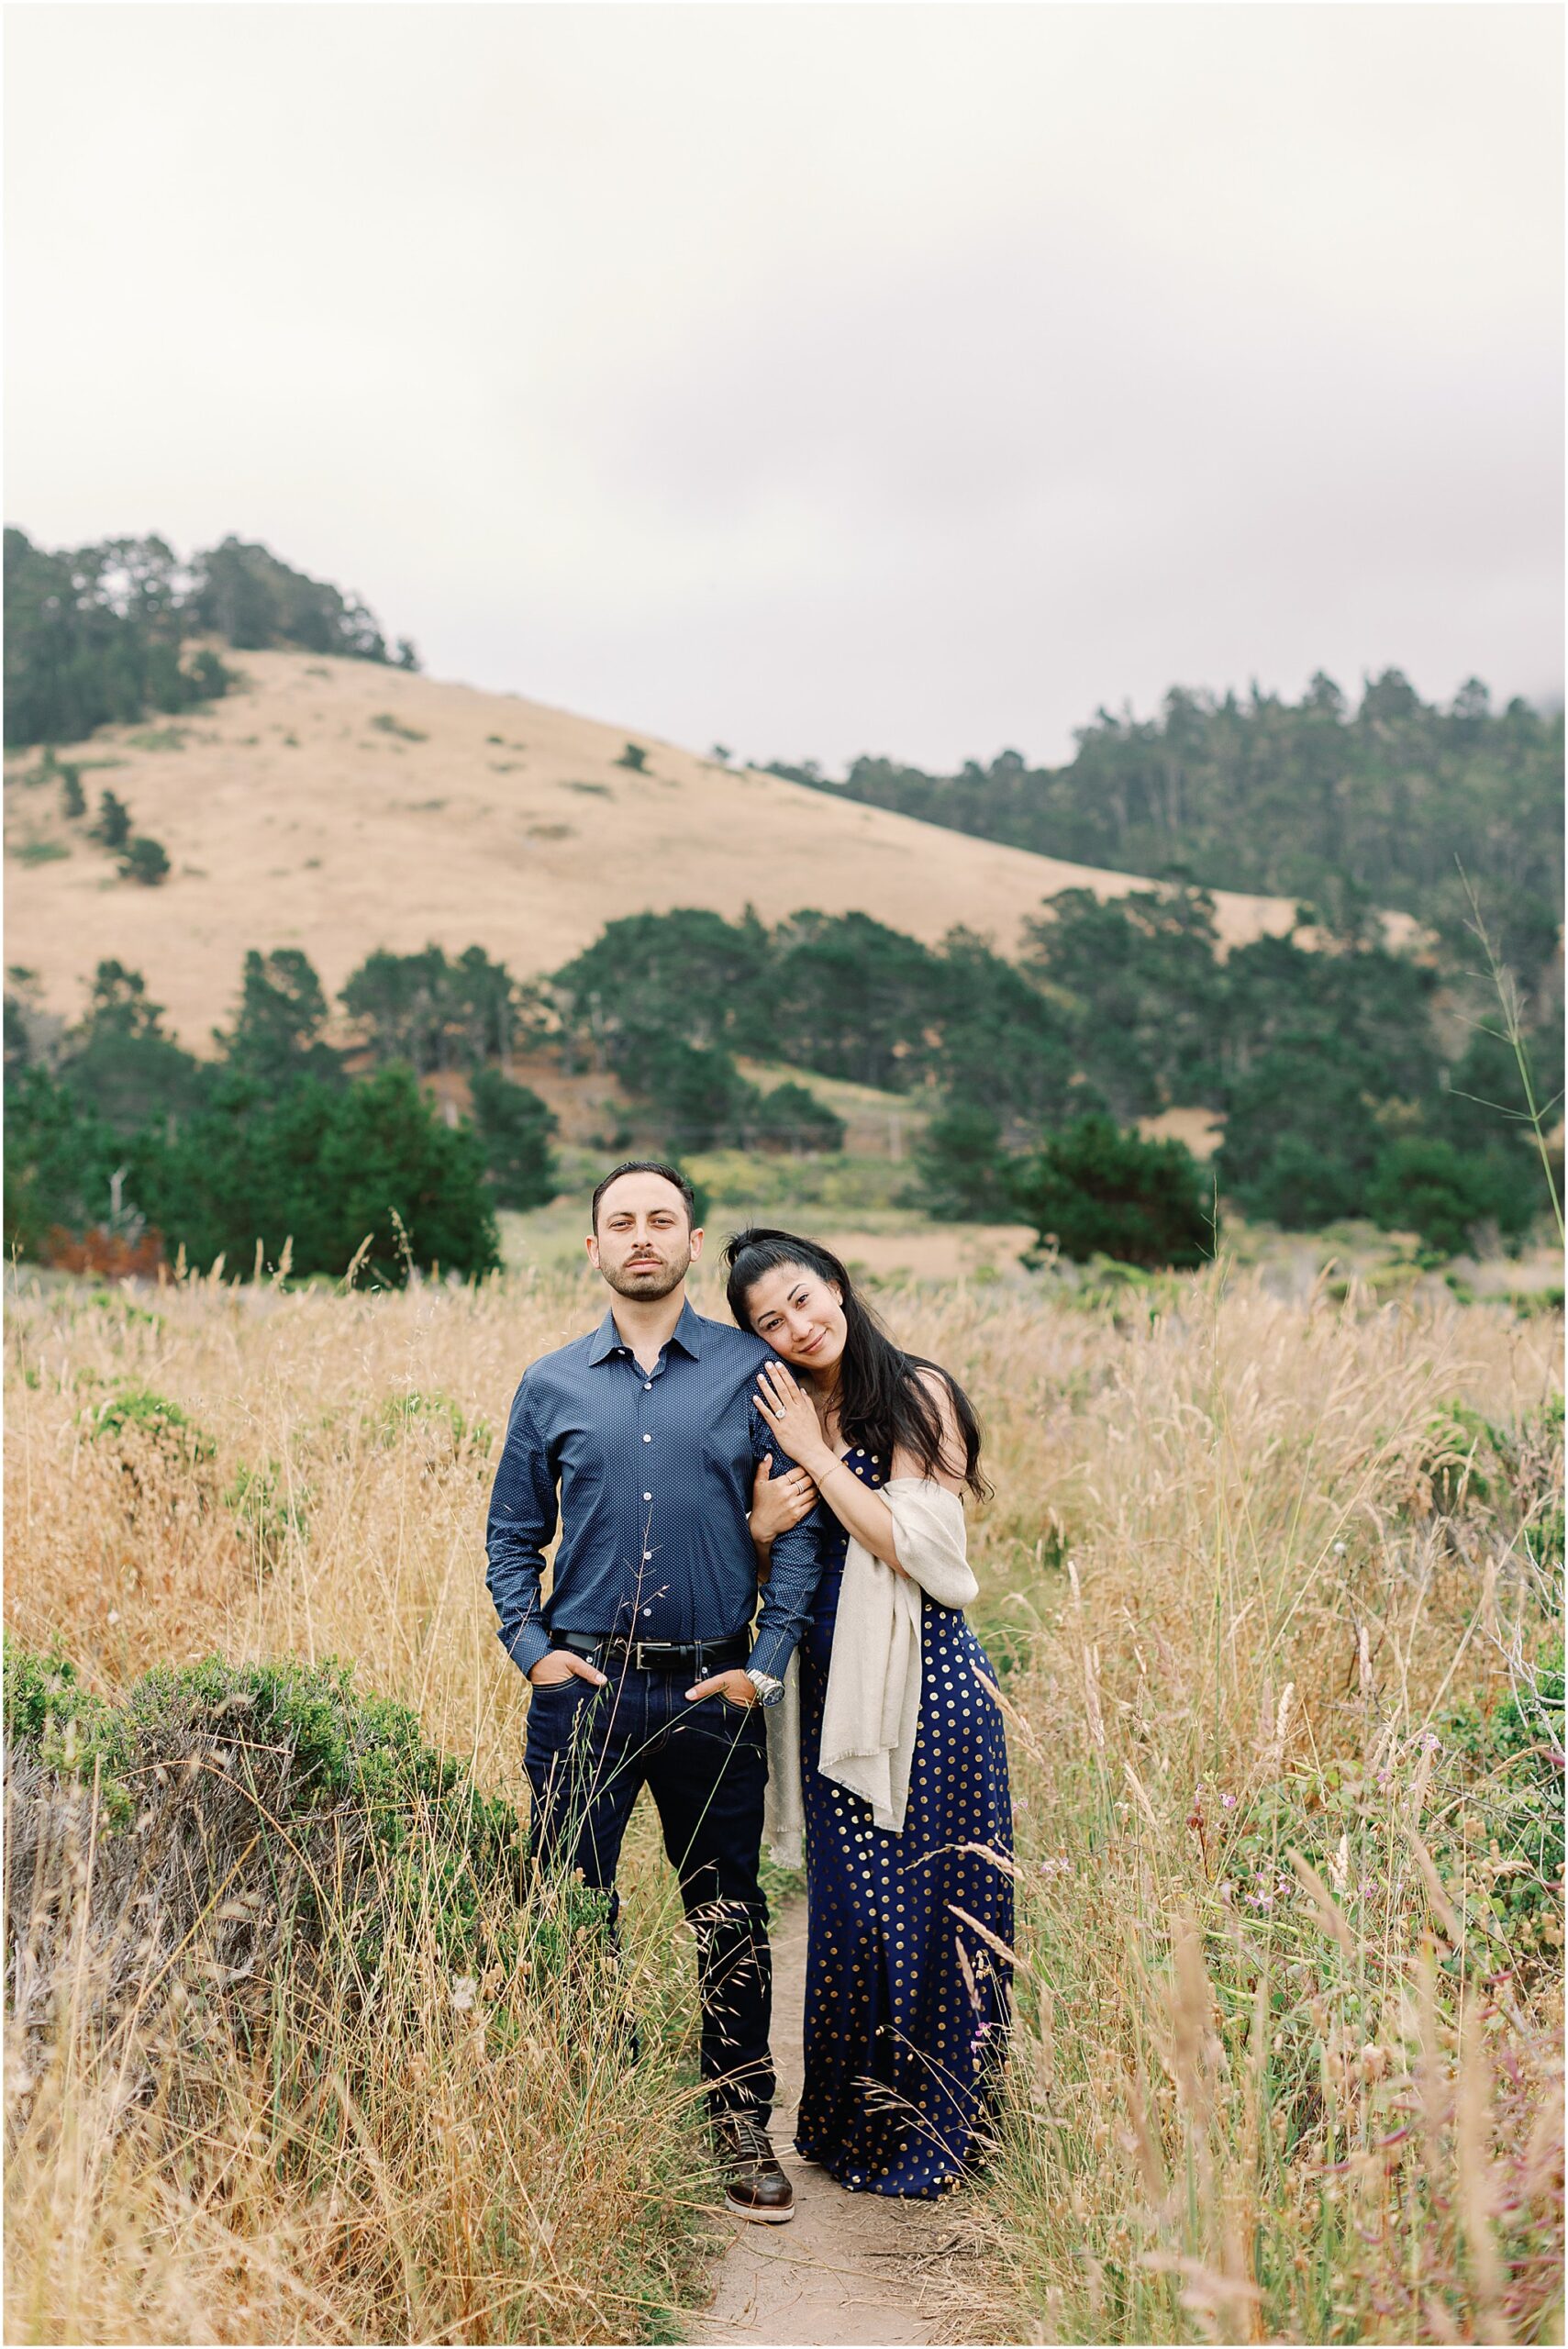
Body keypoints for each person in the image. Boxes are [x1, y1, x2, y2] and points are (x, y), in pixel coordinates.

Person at [484, 1163, 823, 2225]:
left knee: (724, 1909)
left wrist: (763, 1664)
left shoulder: (750, 1372)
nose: (641, 1237)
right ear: (592, 1247)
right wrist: (528, 1644)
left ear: (691, 1240)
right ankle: (582, 2108)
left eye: (660, 1221)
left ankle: (738, 2125)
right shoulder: (550, 1383)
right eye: (620, 1222)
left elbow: (799, 1527)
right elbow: (509, 1536)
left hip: (711, 1689)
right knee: (572, 1900)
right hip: (581, 1686)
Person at [725, 1226, 1013, 2199]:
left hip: (927, 1688)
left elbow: (919, 1549)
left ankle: (937, 2133)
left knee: (933, 1909)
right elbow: (789, 1568)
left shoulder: (914, 1394)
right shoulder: (784, 1409)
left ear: (838, 1285)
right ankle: (852, 2129)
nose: (796, 1326)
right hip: (834, 1694)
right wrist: (761, 1529)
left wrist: (816, 1450)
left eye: (803, 1299)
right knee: (852, 1909)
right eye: (770, 1320)